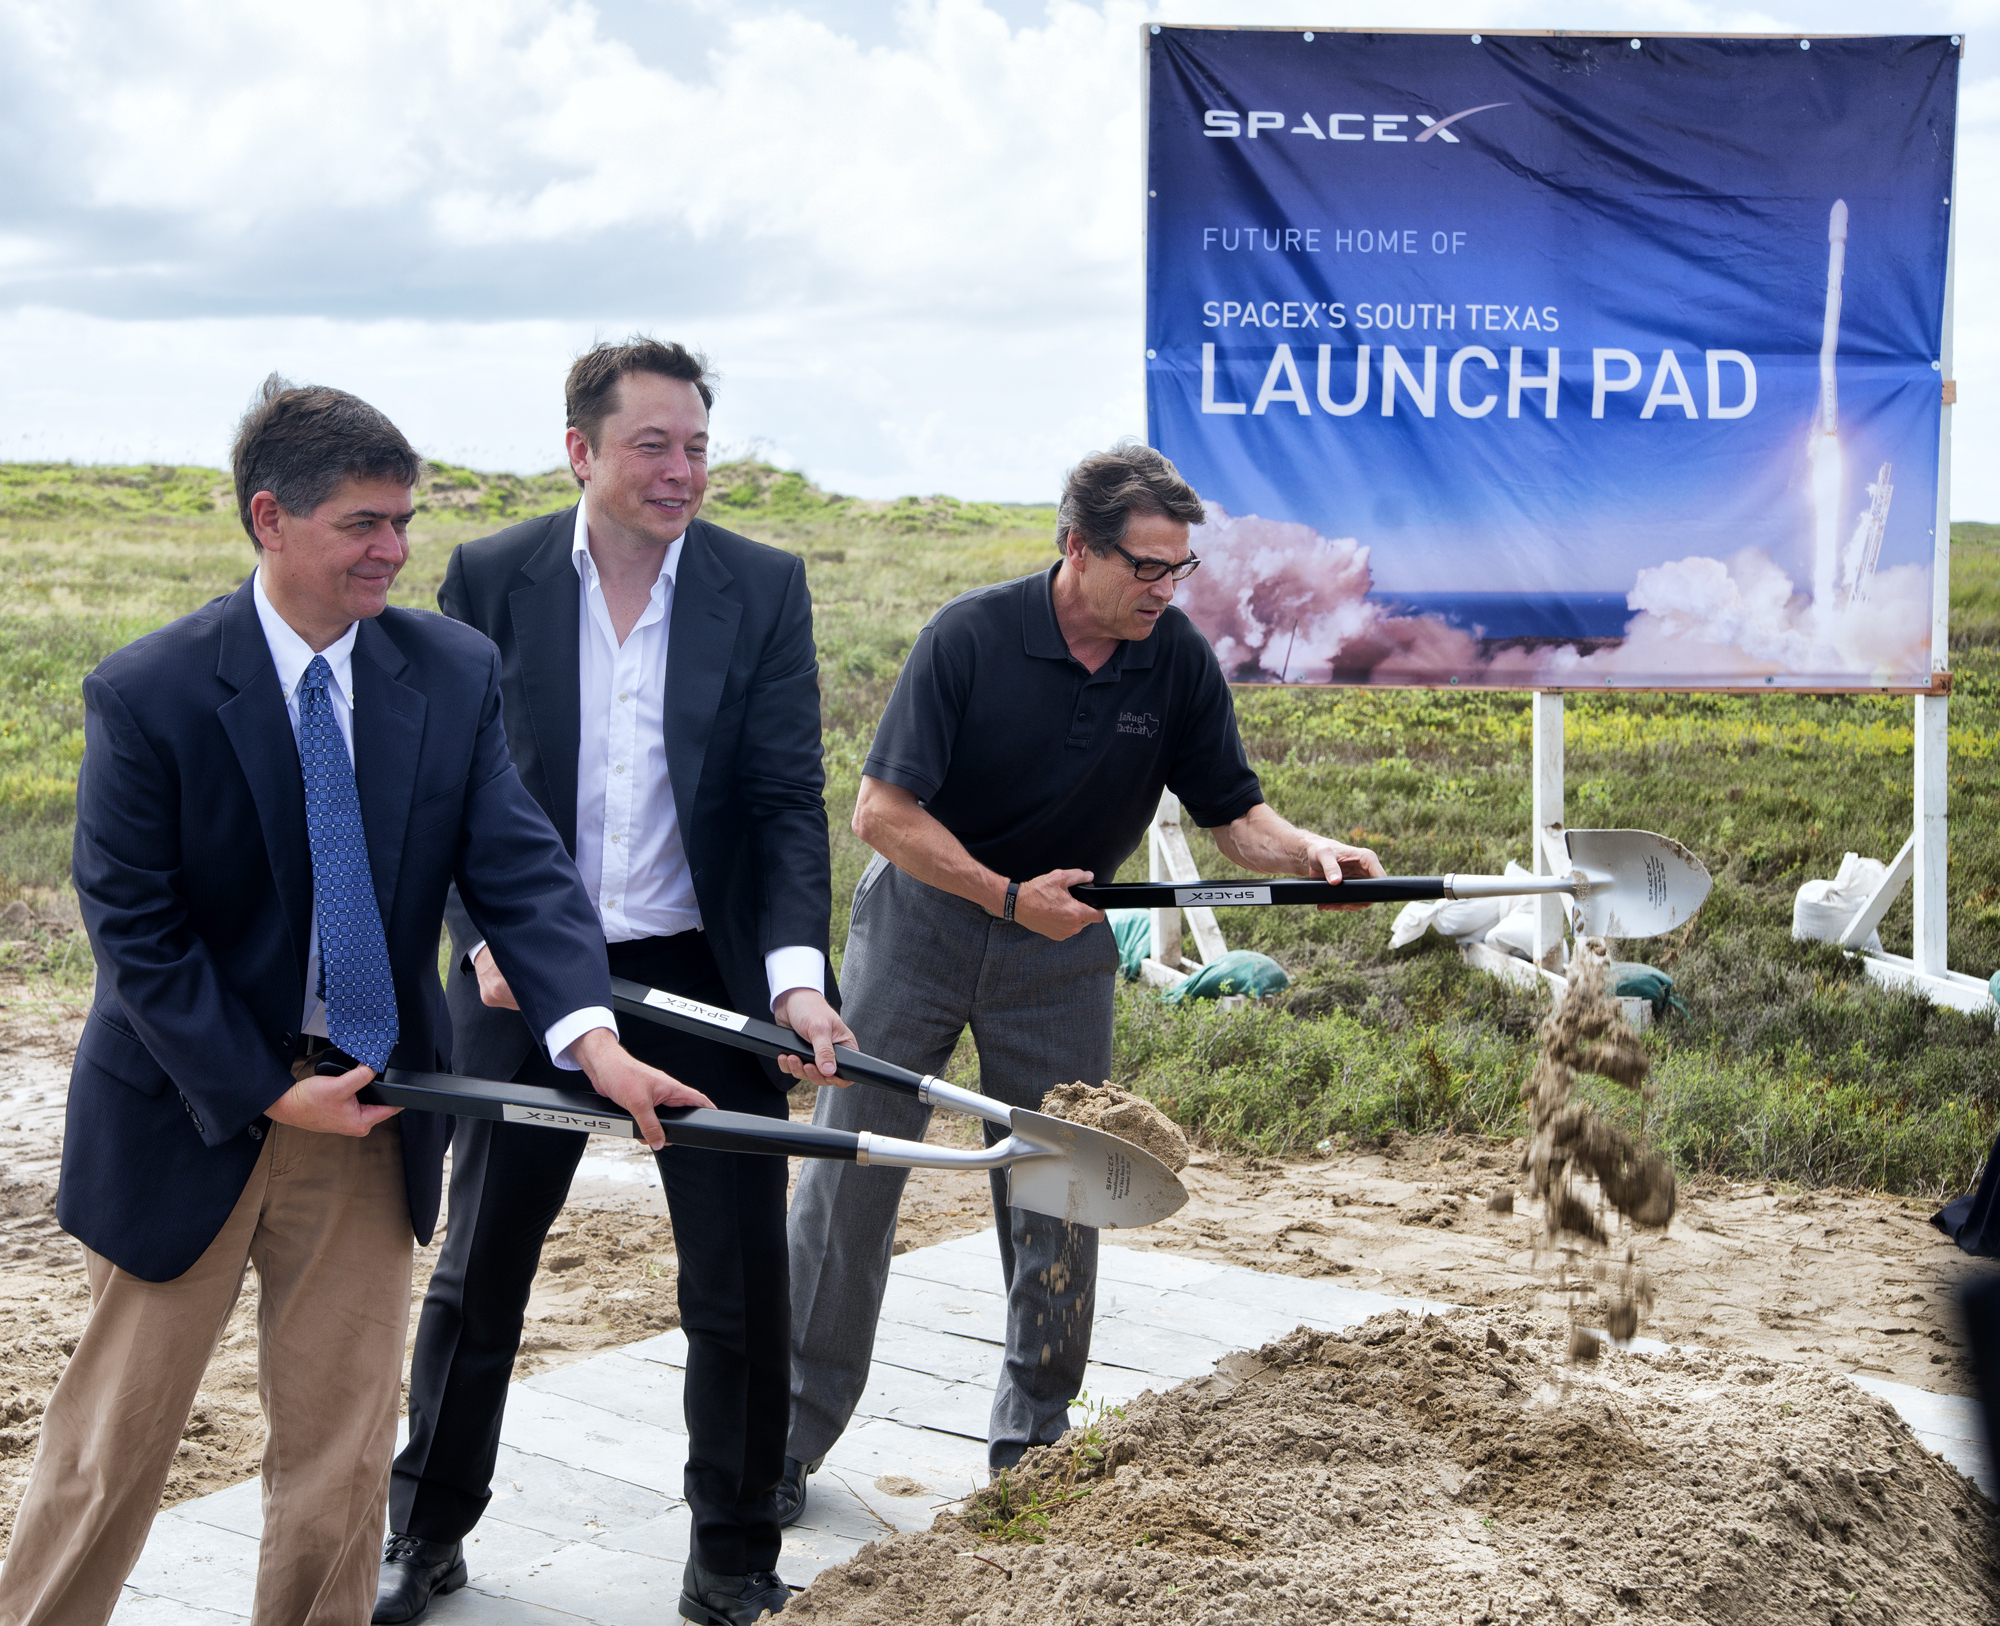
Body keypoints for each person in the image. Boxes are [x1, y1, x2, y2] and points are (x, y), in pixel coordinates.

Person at [0, 378, 703, 1626]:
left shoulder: (446, 668)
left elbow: (519, 865)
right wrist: (266, 1087)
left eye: (403, 523)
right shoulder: (148, 692)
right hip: (193, 1111)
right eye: (363, 525)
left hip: (375, 1114)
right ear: (271, 519)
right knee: (115, 1452)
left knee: (338, 1464)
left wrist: (588, 1036)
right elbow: (138, 934)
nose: (393, 551)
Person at [780, 442, 1383, 1518]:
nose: (1163, 589)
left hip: (1064, 947)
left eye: (1177, 568)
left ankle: (1035, 1446)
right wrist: (1003, 894)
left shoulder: (1176, 661)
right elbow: (879, 815)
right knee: (849, 1179)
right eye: (1145, 567)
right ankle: (780, 1443)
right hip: (924, 919)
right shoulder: (970, 637)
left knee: (1061, 1184)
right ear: (1076, 548)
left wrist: (1308, 854)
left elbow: (1232, 816)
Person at [376, 339, 850, 1626]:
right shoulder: (492, 575)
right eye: (654, 444)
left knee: (738, 1275)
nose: (682, 470)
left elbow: (781, 805)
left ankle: (734, 1554)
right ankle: (423, 1533)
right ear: (579, 450)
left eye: (697, 444)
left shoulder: (759, 585)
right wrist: (482, 933)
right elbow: (450, 784)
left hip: (703, 968)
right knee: (482, 1260)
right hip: (526, 964)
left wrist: (796, 984)